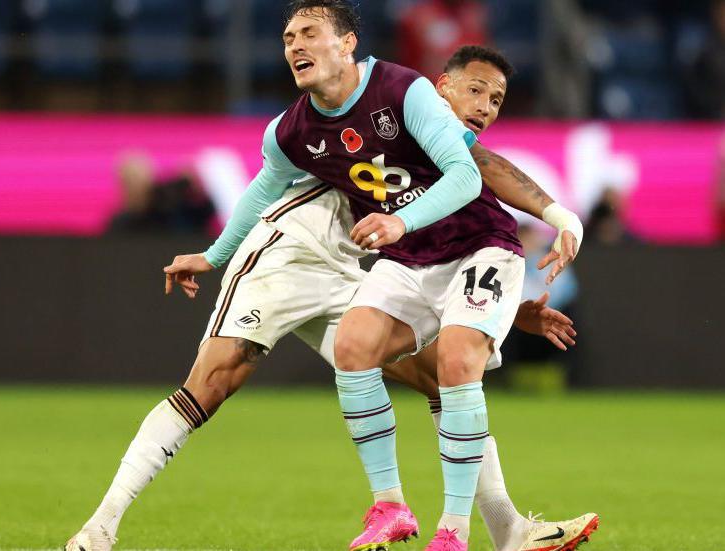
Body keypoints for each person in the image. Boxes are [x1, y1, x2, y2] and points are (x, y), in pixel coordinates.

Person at [68, 30, 590, 551]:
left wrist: (505, 302)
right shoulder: (372, 103)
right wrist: (215, 255)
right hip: (286, 259)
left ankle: (504, 529)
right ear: (442, 87)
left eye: (494, 99)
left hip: (353, 268)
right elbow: (269, 181)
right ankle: (100, 527)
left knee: (442, 376)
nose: (483, 107)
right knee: (209, 385)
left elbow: (479, 175)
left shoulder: (429, 124)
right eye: (474, 92)